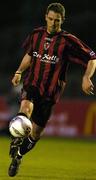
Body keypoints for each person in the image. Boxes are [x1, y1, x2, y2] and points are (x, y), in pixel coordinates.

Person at [8, 2, 96, 177]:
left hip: (50, 94)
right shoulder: (36, 35)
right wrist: (19, 71)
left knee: (35, 135)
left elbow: (92, 57)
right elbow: (30, 54)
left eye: (57, 20)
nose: (53, 23)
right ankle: (17, 137)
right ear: (45, 17)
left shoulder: (68, 41)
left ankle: (18, 156)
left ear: (62, 20)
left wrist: (86, 77)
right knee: (25, 108)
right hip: (32, 83)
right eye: (50, 19)